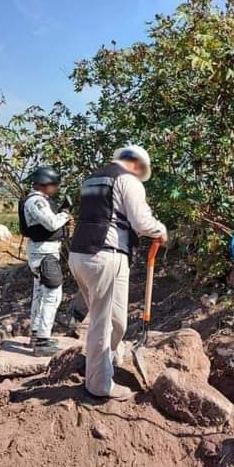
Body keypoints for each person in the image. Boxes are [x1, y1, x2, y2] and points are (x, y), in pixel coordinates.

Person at [69, 145, 167, 401]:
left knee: (115, 321)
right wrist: (160, 230)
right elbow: (141, 222)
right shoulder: (128, 181)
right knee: (102, 324)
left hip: (80, 254)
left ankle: (108, 360)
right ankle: (99, 384)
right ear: (136, 165)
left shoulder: (93, 178)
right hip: (104, 255)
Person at [19, 166, 72, 357]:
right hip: (44, 253)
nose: (56, 188)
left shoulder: (35, 200)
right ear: (45, 184)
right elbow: (51, 223)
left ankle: (36, 334)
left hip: (41, 252)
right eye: (55, 184)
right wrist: (65, 214)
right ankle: (42, 340)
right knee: (53, 294)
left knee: (40, 292)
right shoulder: (36, 201)